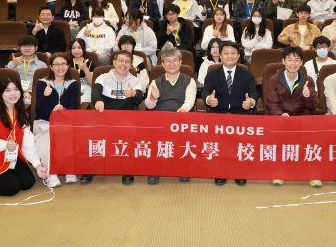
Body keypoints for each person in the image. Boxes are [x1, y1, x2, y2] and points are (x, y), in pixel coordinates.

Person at [0, 78, 48, 196]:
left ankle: (5, 176)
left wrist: (37, 165)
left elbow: (27, 142)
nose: (13, 93)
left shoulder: (21, 113)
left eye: (16, 89)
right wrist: (5, 145)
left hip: (11, 157)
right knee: (11, 188)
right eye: (8, 90)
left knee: (28, 182)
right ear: (0, 93)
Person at [202, 41, 258, 186]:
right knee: (220, 145)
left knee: (240, 145)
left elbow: (253, 92)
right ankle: (221, 170)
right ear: (220, 56)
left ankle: (239, 171)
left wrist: (251, 102)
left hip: (240, 113)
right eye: (226, 53)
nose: (230, 56)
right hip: (218, 113)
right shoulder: (212, 73)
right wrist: (209, 100)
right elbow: (205, 91)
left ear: (238, 56)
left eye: (233, 53)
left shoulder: (246, 74)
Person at [266, 46, 320, 187]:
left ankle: (312, 173)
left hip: (301, 118)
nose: (293, 63)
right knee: (279, 143)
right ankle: (279, 172)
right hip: (281, 117)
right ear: (283, 61)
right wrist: (280, 114)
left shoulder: (307, 80)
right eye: (289, 60)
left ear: (301, 62)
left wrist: (308, 96)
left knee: (310, 144)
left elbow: (313, 105)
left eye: (296, 60)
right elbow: (272, 103)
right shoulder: (274, 79)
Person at [144, 47, 197, 185]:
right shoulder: (155, 82)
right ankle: (155, 169)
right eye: (168, 61)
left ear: (180, 62)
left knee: (182, 138)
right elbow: (149, 105)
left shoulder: (189, 81)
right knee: (155, 137)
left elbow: (189, 102)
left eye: (174, 61)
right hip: (160, 120)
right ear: (162, 64)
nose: (171, 64)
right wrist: (152, 98)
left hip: (180, 118)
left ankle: (182, 168)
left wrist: (178, 116)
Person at [92, 50, 144, 185]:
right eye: (121, 60)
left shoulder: (135, 80)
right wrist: (98, 100)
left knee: (128, 134)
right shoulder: (103, 77)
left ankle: (127, 169)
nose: (123, 64)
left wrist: (133, 94)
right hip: (105, 117)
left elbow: (139, 98)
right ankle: (91, 168)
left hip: (126, 120)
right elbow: (96, 92)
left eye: (127, 62)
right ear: (114, 62)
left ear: (131, 65)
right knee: (93, 134)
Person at [33, 53, 80, 188]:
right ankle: (51, 173)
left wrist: (63, 110)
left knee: (69, 136)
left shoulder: (73, 84)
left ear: (68, 66)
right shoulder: (43, 84)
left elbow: (75, 106)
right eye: (56, 64)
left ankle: (69, 168)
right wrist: (45, 96)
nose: (60, 67)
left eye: (63, 64)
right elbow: (39, 111)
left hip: (65, 122)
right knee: (47, 142)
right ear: (51, 67)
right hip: (45, 122)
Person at [5, 36, 47, 104]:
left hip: (33, 94)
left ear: (36, 48)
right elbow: (4, 78)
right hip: (14, 92)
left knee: (27, 101)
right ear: (19, 48)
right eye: (24, 46)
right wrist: (13, 64)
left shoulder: (42, 65)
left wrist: (32, 93)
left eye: (30, 46)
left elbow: (45, 84)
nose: (27, 48)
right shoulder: (13, 62)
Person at [69, 38, 95, 103]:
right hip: (71, 89)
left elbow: (92, 84)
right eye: (73, 48)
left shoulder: (90, 63)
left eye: (79, 48)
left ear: (84, 49)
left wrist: (85, 69)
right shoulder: (67, 63)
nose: (76, 50)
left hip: (87, 90)